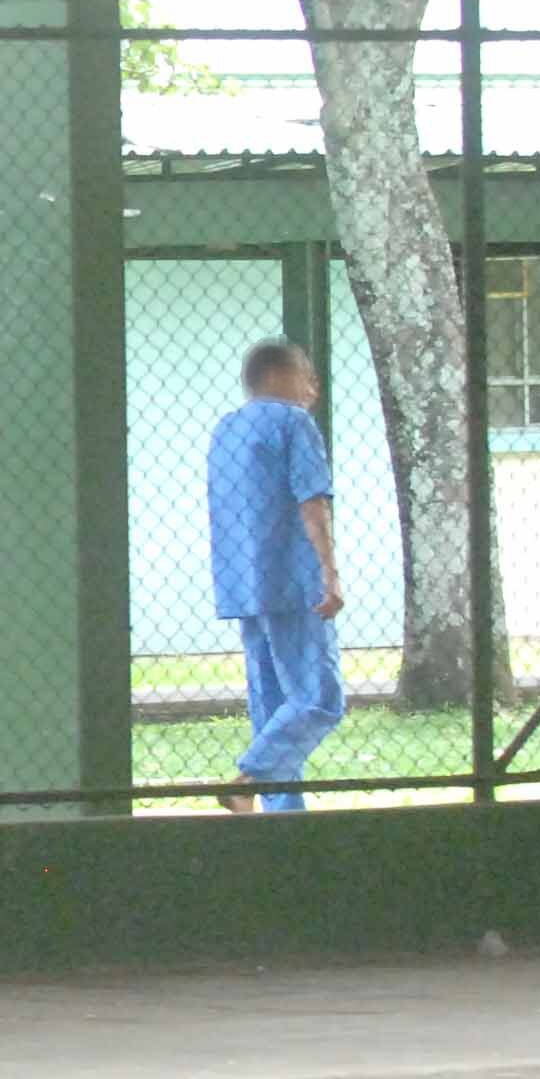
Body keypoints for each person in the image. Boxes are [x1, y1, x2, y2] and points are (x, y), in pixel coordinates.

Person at [205, 340, 346, 813]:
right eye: (308, 376)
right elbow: (312, 500)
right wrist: (329, 572)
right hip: (293, 579)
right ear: (278, 376)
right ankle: (249, 779)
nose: (313, 389)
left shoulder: (226, 429)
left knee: (270, 703)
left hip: (243, 581)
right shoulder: (294, 423)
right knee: (319, 697)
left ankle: (281, 816)